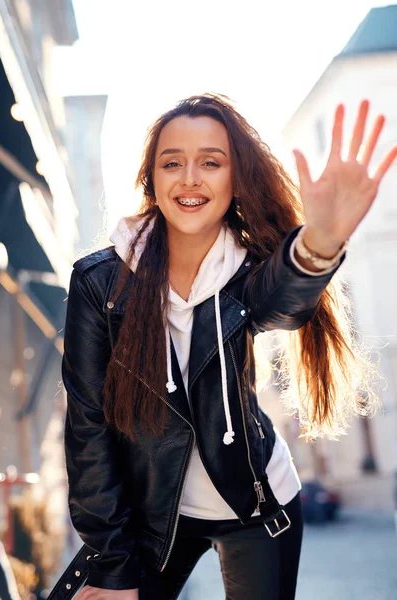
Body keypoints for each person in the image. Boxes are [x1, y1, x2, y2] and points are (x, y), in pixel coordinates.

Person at [63, 94, 396, 600]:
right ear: (151, 180)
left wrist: (321, 241)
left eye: (211, 162)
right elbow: (88, 433)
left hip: (258, 506)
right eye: (172, 162)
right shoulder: (99, 283)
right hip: (155, 514)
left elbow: (284, 300)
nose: (190, 177)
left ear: (234, 179)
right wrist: (112, 568)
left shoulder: (246, 272)